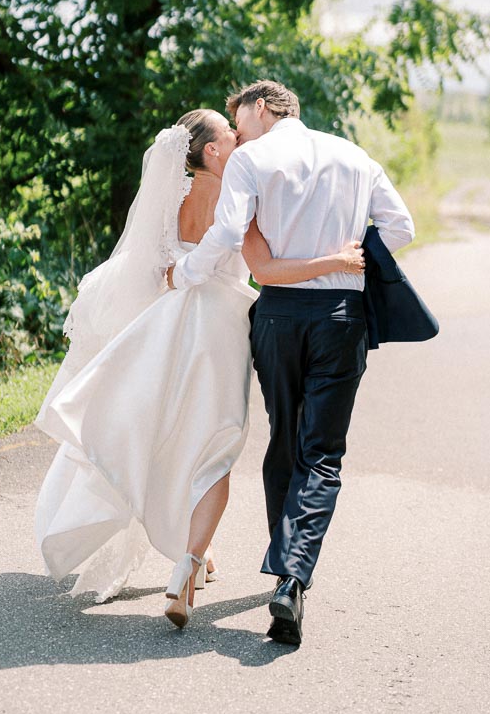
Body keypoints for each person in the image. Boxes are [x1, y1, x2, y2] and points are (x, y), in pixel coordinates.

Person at [33, 108, 365, 628]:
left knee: (162, 438)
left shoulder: (172, 202)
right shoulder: (241, 190)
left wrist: (176, 277)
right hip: (218, 328)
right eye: (231, 133)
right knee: (215, 449)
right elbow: (259, 261)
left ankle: (193, 555)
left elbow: (152, 269)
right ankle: (188, 562)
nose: (241, 138)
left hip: (165, 325)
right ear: (212, 150)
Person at [169, 81, 415, 646]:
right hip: (341, 315)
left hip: (278, 317)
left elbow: (230, 232)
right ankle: (292, 577)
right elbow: (401, 228)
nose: (236, 134)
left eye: (239, 120)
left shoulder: (252, 159)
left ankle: (287, 568)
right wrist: (350, 259)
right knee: (322, 454)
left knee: (286, 441)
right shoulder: (356, 156)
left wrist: (184, 276)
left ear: (262, 108)